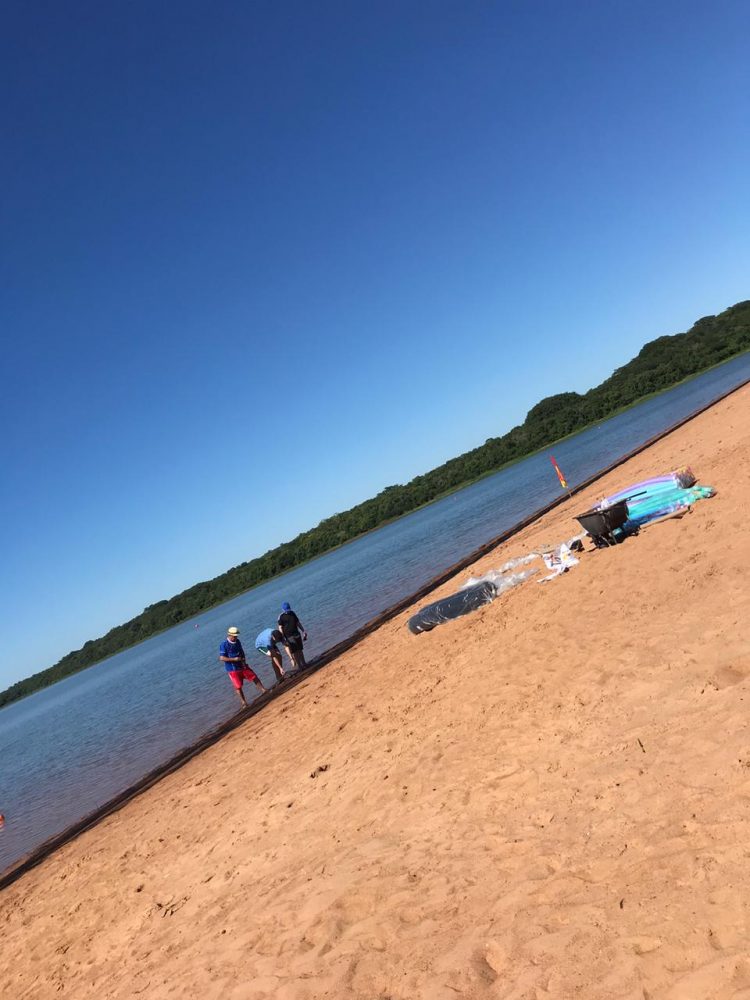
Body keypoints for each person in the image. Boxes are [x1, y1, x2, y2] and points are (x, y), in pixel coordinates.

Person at [219, 626, 267, 707]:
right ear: (230, 635)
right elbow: (222, 658)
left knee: (254, 676)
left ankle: (263, 690)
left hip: (242, 665)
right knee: (238, 686)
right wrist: (234, 659)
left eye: (236, 636)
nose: (236, 637)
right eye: (234, 636)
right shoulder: (224, 644)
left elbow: (241, 651)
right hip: (232, 669)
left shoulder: (238, 641)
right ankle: (243, 702)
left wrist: (244, 661)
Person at [277, 601, 308, 671]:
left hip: (296, 634)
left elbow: (298, 623)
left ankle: (304, 663)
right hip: (289, 636)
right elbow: (280, 627)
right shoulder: (281, 617)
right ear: (283, 610)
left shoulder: (293, 613)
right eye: (286, 610)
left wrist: (303, 630)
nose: (288, 611)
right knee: (295, 651)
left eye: (288, 609)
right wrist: (282, 637)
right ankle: (300, 666)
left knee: (300, 650)